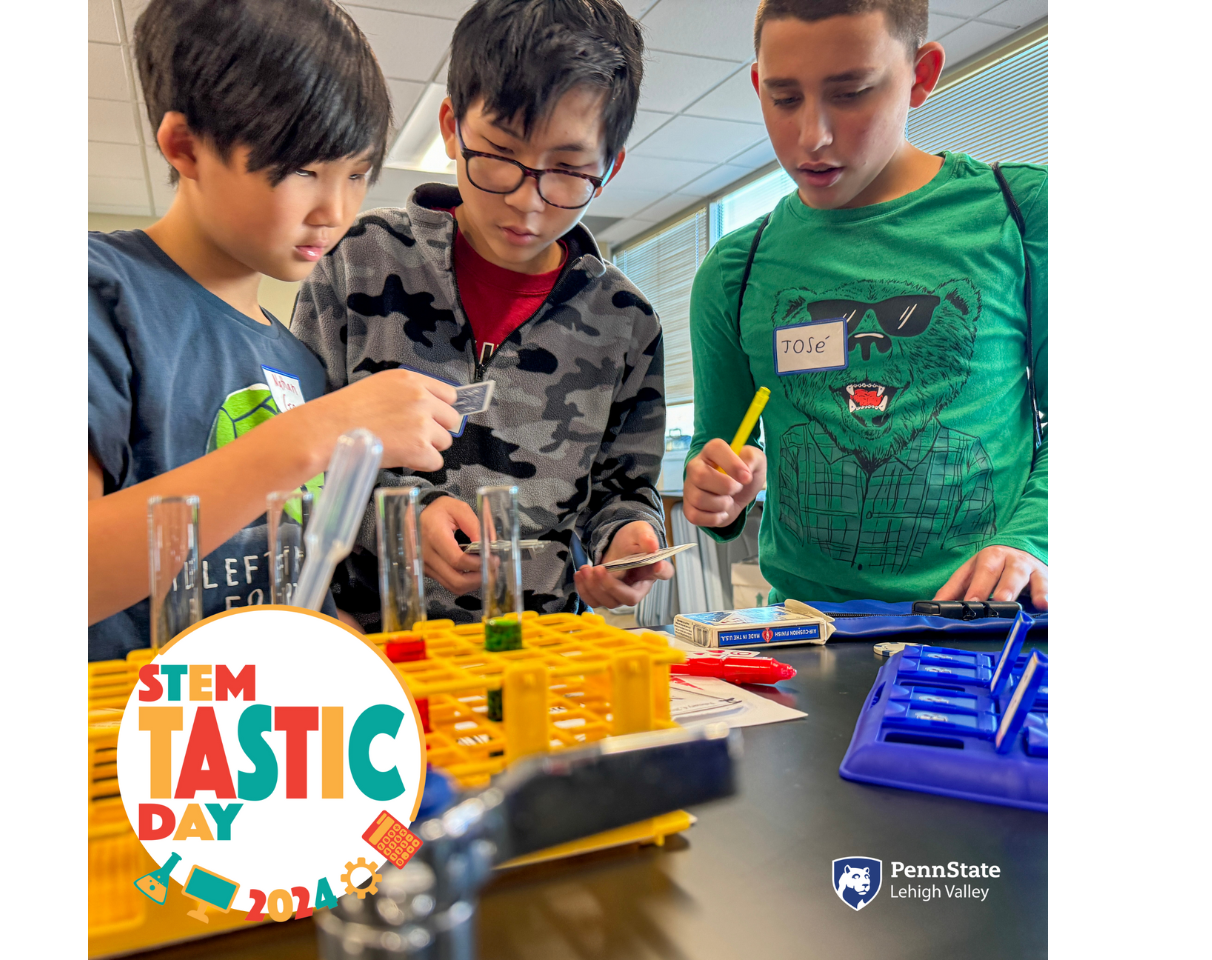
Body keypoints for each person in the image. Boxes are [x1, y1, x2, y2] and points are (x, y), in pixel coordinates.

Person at [88, 0, 463, 660]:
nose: (335, 210)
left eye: (357, 174)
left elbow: (293, 583)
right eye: (303, 170)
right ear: (186, 147)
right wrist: (318, 432)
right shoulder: (100, 295)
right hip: (135, 718)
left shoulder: (299, 363)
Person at [292, 0, 672, 628]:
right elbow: (297, 455)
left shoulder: (625, 320)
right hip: (370, 644)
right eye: (499, 154)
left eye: (569, 170)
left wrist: (628, 539)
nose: (527, 202)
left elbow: (622, 489)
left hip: (539, 649)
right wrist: (400, 519)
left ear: (611, 165)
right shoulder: (358, 261)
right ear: (452, 127)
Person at [684, 0, 1048, 610]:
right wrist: (713, 491)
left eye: (850, 94)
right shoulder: (734, 270)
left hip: (987, 623)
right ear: (757, 85)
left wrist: (1032, 539)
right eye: (784, 98)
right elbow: (716, 451)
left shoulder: (1024, 215)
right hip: (806, 631)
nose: (813, 137)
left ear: (921, 76)